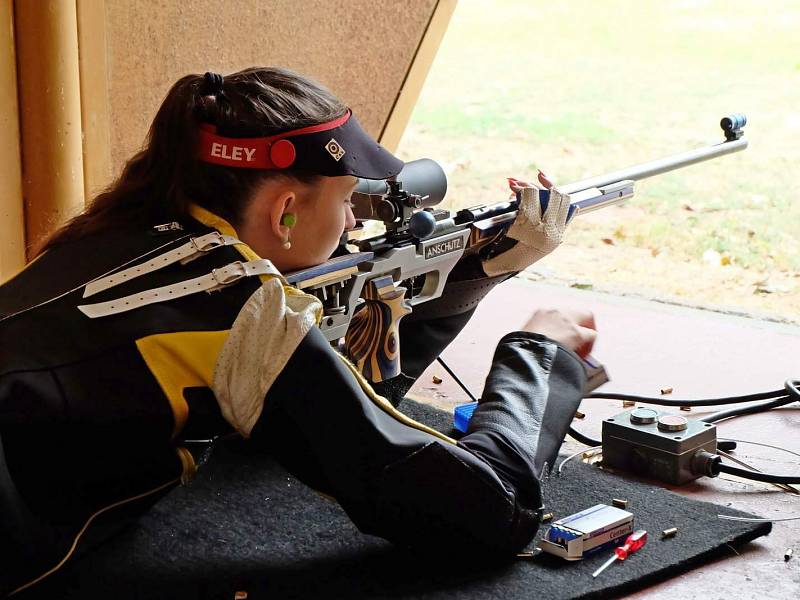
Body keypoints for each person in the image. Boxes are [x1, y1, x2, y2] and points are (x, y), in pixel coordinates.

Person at [0, 67, 596, 595]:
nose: (349, 224)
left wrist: (467, 276)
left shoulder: (95, 242)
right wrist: (543, 355)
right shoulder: (240, 309)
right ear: (284, 211)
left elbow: (313, 417)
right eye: (347, 204)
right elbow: (489, 512)